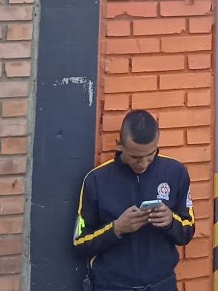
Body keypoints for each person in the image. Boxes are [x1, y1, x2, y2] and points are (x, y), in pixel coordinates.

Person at [74, 110, 196, 291]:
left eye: (150, 155)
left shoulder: (176, 172)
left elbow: (188, 231)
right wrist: (116, 228)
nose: (143, 163)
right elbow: (80, 244)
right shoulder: (96, 180)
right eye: (135, 157)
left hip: (162, 285)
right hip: (111, 286)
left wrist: (170, 221)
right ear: (119, 145)